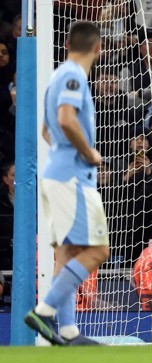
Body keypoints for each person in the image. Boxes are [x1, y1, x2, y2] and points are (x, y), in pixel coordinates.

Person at [24, 22, 108, 346]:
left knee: (67, 254)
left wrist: (63, 149)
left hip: (55, 173)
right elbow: (64, 119)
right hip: (72, 177)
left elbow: (47, 130)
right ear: (98, 47)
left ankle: (70, 331)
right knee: (98, 250)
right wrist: (89, 153)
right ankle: (44, 312)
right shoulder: (74, 76)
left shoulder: (56, 77)